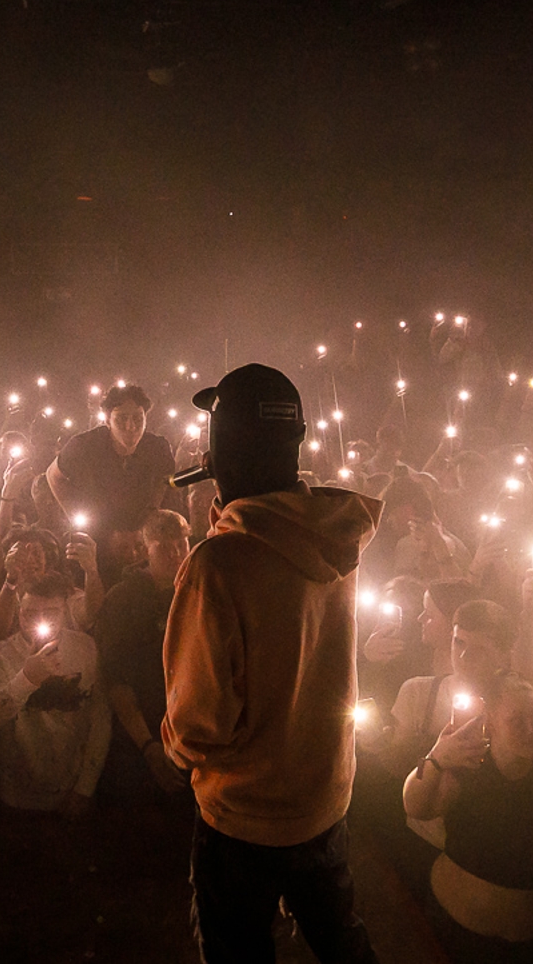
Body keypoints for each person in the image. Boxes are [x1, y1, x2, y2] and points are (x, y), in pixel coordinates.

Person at [162, 364, 383, 964]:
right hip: (325, 794)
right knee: (341, 938)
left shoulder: (218, 565)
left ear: (218, 455)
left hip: (245, 817)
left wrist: (175, 752)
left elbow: (199, 725)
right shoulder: (333, 534)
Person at [403, 672, 533, 960]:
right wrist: (436, 757)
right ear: (489, 724)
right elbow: (416, 807)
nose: (532, 729)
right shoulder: (470, 762)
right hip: (457, 934)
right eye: (516, 721)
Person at [0, 571, 111, 814]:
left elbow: (100, 717)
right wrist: (27, 678)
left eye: (51, 613)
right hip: (16, 792)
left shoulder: (85, 647)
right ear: (19, 611)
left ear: (64, 612)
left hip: (72, 784)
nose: (39, 621)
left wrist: (86, 786)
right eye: (30, 613)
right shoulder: (0, 654)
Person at [95, 509, 192, 803]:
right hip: (139, 738)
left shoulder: (197, 591)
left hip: (191, 735)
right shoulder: (123, 599)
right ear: (144, 548)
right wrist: (148, 746)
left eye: (181, 544)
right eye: (164, 547)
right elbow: (116, 679)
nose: (176, 554)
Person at [47, 384, 175, 581]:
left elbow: (165, 479)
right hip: (99, 534)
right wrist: (73, 514)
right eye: (122, 419)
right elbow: (53, 475)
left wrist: (152, 510)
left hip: (139, 535)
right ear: (107, 420)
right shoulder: (83, 446)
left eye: (137, 418)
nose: (131, 427)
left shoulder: (157, 447)